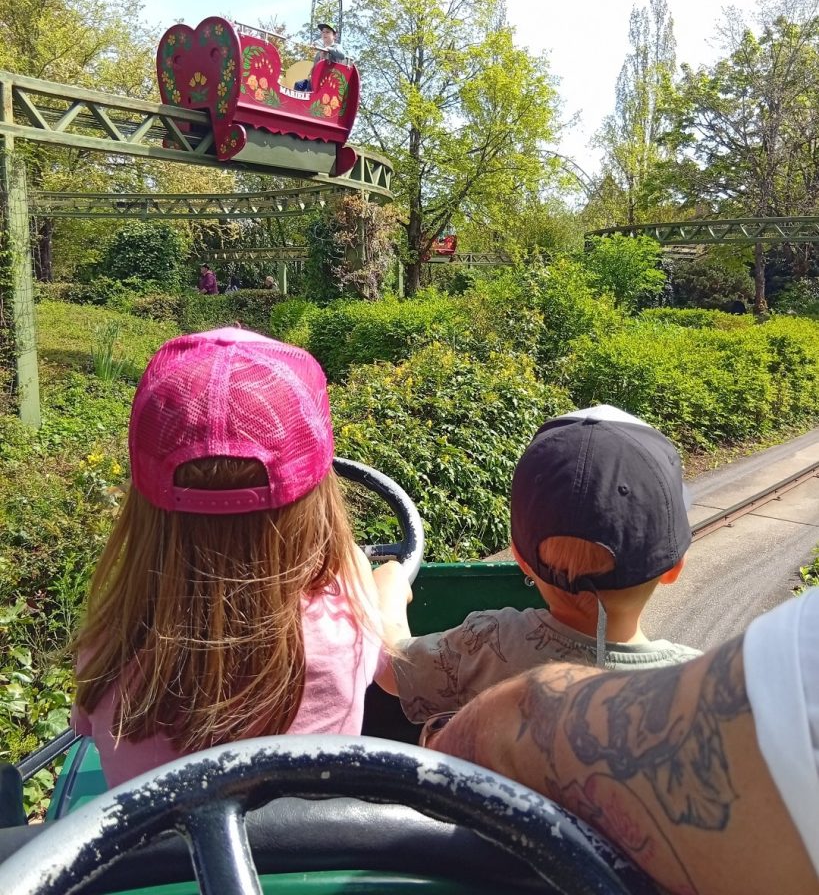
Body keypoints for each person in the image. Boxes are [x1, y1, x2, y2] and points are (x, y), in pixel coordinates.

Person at [70, 327, 411, 787]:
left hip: (162, 860)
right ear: (318, 495)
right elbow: (398, 668)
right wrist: (385, 590)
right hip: (311, 855)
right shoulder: (346, 621)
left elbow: (85, 728)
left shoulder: (111, 644)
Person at [428, 587, 819, 894]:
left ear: (522, 558)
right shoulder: (689, 664)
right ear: (672, 569)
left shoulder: (489, 634)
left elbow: (519, 717)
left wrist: (432, 742)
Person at [392, 406, 700, 725]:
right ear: (674, 568)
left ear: (521, 558)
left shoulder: (488, 643)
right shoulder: (697, 685)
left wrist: (389, 594)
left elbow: (391, 670)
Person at [294, 22, 346, 92]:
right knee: (299, 85)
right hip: (317, 77)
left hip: (328, 78)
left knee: (311, 85)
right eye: (323, 32)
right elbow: (315, 67)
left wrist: (328, 49)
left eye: (327, 32)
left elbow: (342, 55)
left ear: (334, 36)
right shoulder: (319, 52)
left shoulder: (336, 47)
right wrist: (311, 75)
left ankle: (310, 99)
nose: (324, 34)